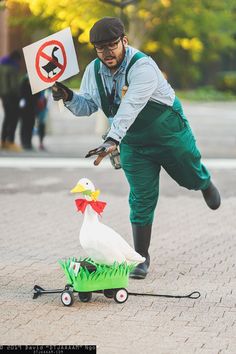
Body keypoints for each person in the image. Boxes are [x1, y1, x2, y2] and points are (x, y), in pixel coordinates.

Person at [52, 17, 221, 279]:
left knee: (188, 175)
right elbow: (88, 106)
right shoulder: (93, 71)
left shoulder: (143, 67)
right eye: (101, 48)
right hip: (132, 142)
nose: (107, 53)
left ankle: (204, 182)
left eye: (112, 45)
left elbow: (131, 106)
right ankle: (142, 258)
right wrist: (69, 96)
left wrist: (111, 139)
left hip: (168, 133)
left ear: (124, 41)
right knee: (141, 198)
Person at [0, 50, 22, 151]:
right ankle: (10, 141)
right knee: (14, 118)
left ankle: (3, 141)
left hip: (4, 96)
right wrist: (20, 95)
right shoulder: (12, 67)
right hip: (13, 97)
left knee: (7, 118)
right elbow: (14, 85)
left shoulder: (2, 64)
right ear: (16, 59)